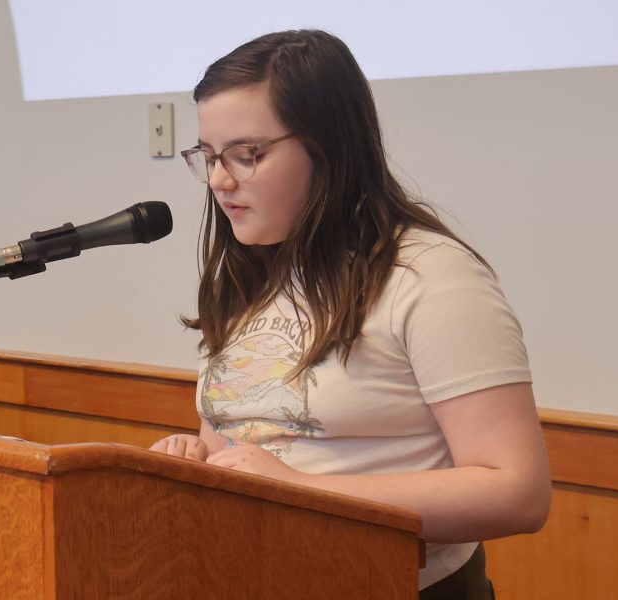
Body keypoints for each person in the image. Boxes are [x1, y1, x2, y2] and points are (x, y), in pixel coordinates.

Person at [149, 29, 550, 599]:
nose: (219, 180)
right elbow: (243, 448)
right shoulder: (250, 274)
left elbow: (517, 492)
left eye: (247, 154)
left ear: (328, 147)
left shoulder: (430, 276)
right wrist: (198, 461)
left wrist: (303, 491)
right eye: (209, 157)